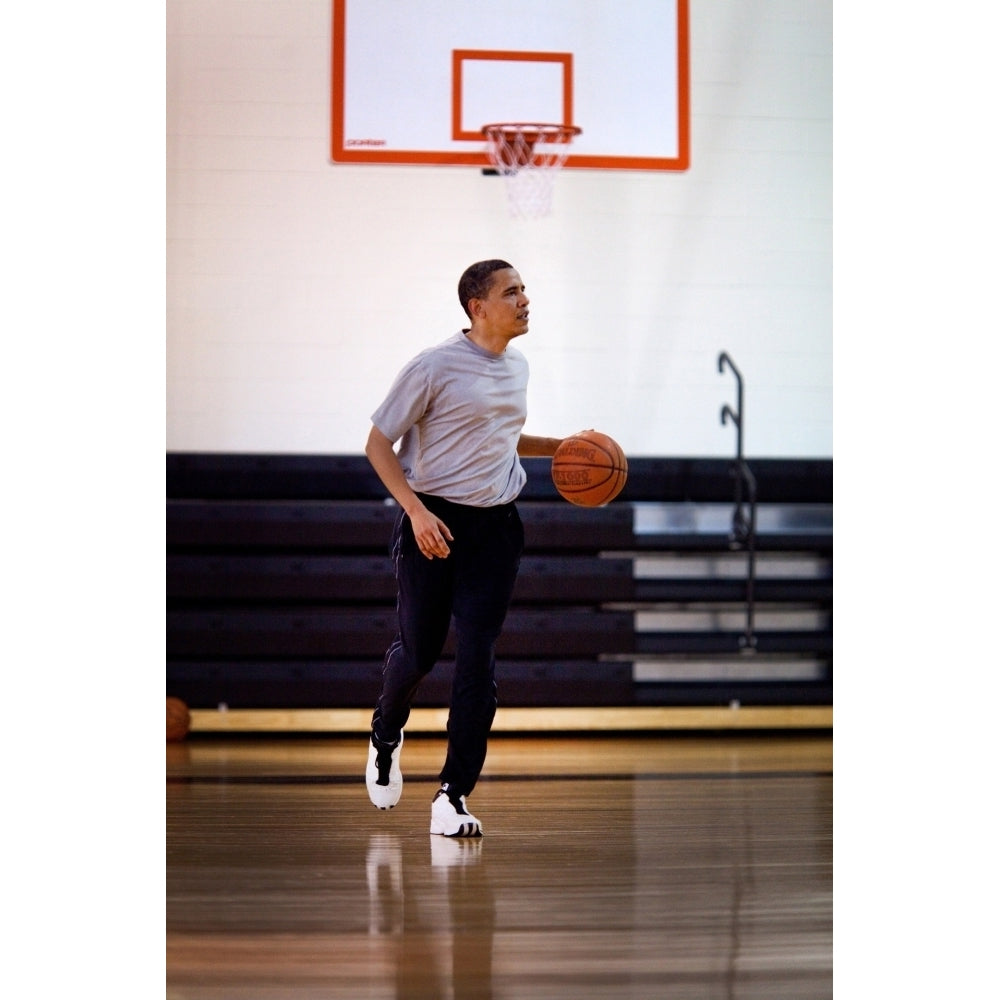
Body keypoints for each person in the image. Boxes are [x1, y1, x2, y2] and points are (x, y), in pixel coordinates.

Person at [364, 259, 564, 837]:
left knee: (479, 656)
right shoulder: (433, 366)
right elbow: (378, 443)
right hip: (433, 523)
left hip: (496, 528)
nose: (525, 298)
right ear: (478, 307)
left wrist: (567, 447)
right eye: (512, 291)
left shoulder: (517, 366)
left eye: (525, 288)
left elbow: (501, 435)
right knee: (420, 654)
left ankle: (452, 795)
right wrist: (416, 511)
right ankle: (385, 729)